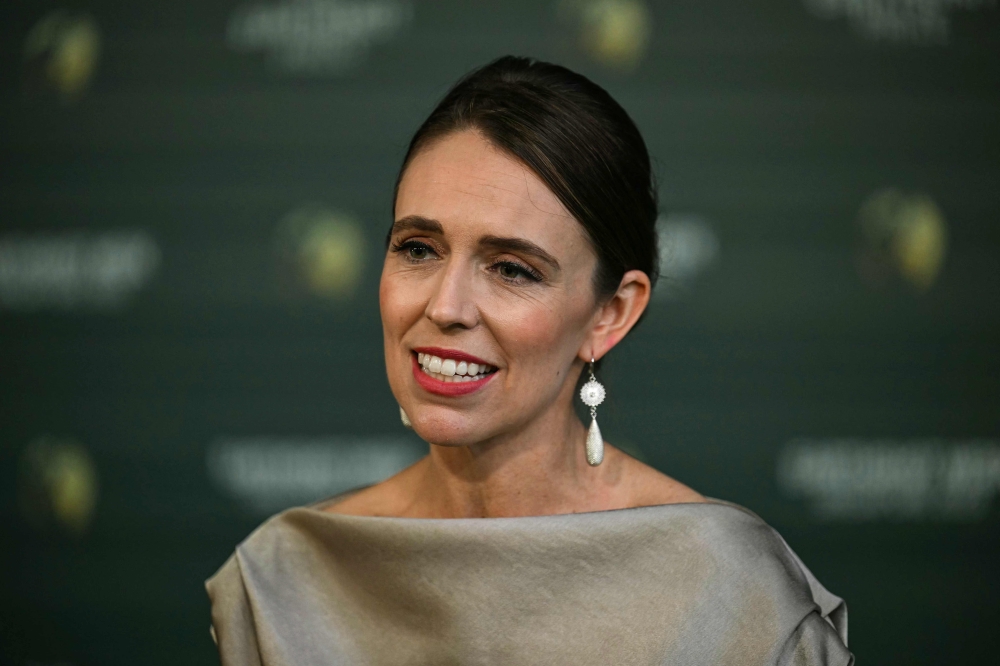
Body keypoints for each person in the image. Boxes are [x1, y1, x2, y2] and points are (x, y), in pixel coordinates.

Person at [206, 56, 853, 665]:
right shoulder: (286, 579)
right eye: (419, 249)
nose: (447, 306)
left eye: (512, 268)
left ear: (611, 314)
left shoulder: (731, 591)